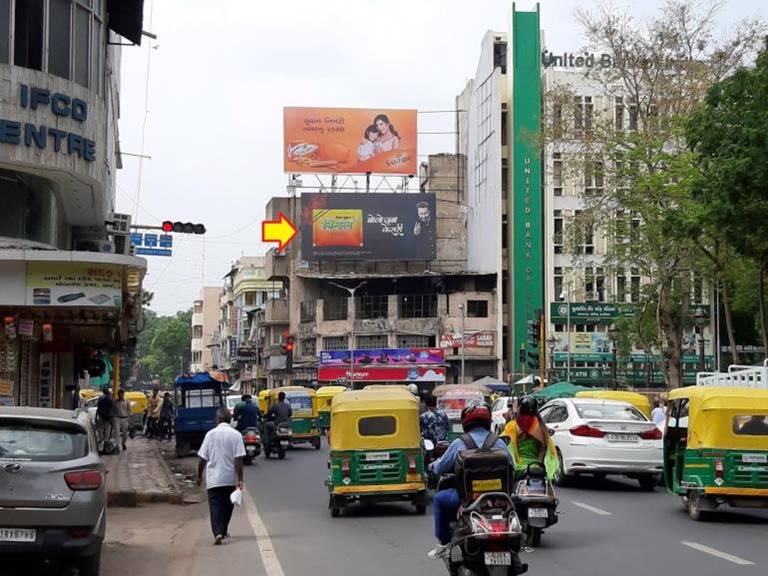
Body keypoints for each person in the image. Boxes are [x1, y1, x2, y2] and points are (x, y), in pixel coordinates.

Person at [428, 402, 512, 560]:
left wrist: (431, 466)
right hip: (499, 500)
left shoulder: (460, 443)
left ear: (466, 421)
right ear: (488, 421)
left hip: (467, 500)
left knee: (439, 499)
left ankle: (444, 545)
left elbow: (440, 467)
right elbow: (512, 465)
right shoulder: (498, 442)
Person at [197, 407, 246, 545]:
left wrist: (199, 475)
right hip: (228, 478)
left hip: (213, 479)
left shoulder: (210, 435)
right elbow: (238, 459)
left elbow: (202, 458)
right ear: (230, 420)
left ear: (217, 419)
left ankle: (218, 532)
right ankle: (223, 530)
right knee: (227, 506)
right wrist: (240, 478)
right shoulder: (236, 435)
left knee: (215, 506)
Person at [501, 395, 558, 478]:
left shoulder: (512, 426)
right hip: (537, 468)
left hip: (518, 468)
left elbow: (505, 447)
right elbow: (542, 450)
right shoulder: (540, 427)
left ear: (519, 408)